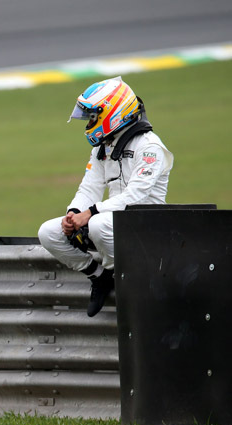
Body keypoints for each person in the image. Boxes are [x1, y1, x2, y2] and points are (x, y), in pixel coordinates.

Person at [38, 76, 173, 317]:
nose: (89, 122)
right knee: (48, 232)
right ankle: (100, 277)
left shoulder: (151, 146)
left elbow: (135, 197)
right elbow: (88, 188)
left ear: (113, 112)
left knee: (98, 225)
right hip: (110, 224)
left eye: (92, 116)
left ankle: (123, 277)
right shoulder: (103, 148)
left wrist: (90, 214)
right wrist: (74, 214)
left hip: (149, 227)